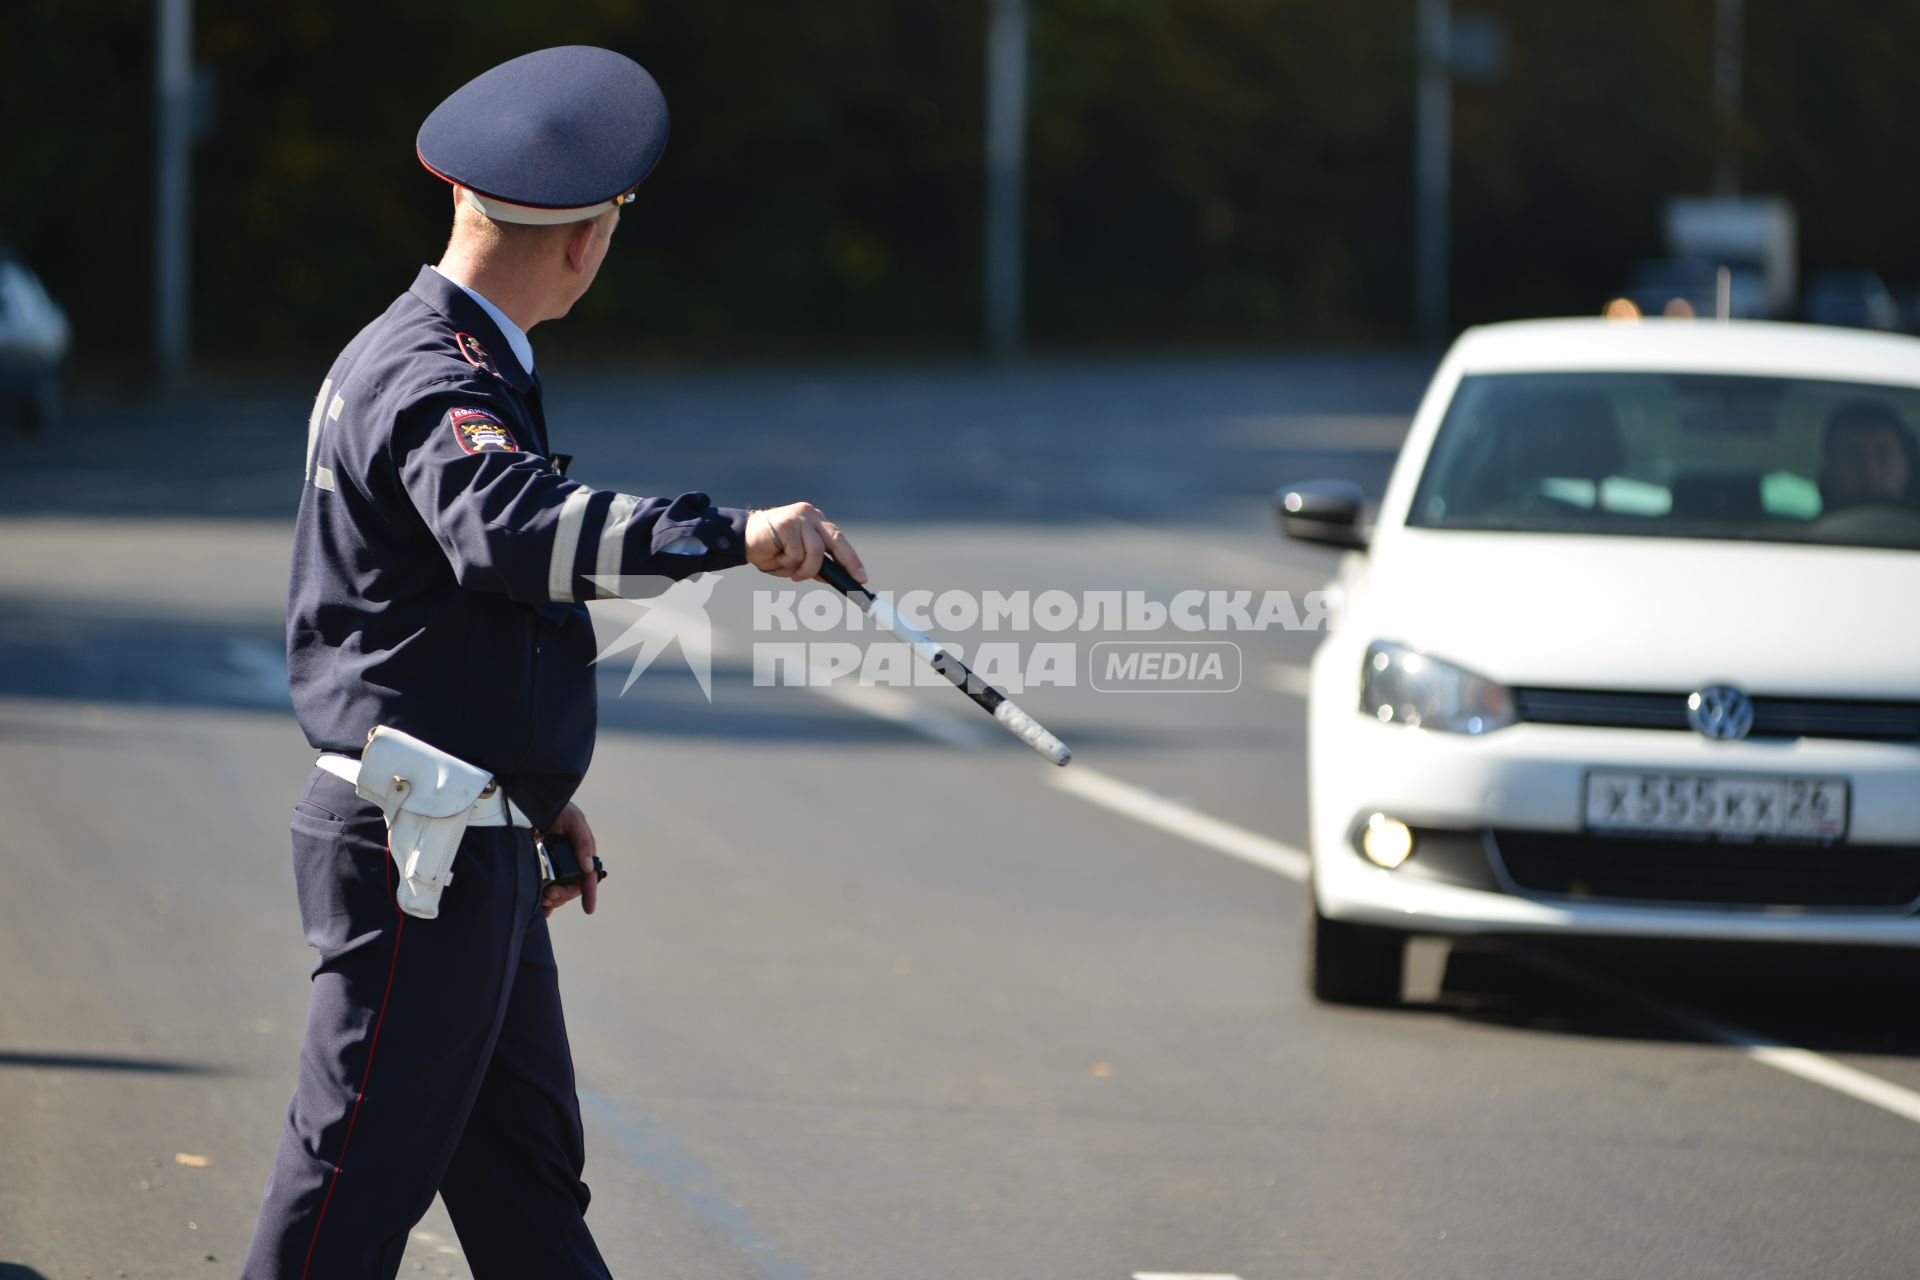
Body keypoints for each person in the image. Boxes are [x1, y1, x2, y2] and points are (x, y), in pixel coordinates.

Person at [241, 46, 866, 1280]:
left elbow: (435, 610)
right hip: (419, 852)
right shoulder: (435, 376)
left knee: (525, 1178)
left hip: (469, 831)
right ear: (587, 240)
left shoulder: (445, 353)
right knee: (347, 1187)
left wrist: (533, 786)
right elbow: (516, 535)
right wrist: (728, 534)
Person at [1820, 399, 1918, 510]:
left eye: (1884, 454)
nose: (1871, 470)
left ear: (1907, 463)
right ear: (1829, 469)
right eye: (1853, 456)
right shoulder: (1802, 528)